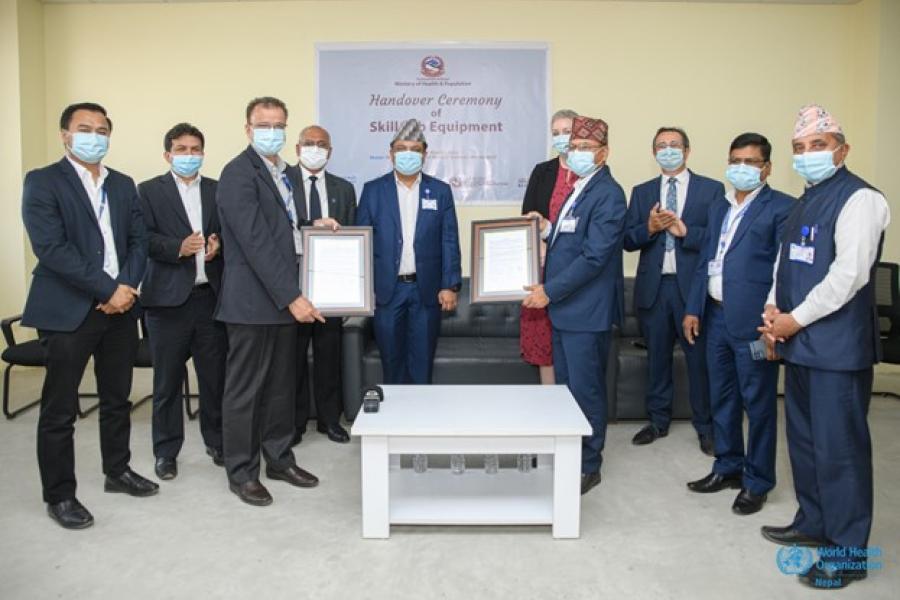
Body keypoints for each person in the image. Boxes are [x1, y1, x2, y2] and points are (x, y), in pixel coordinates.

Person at [759, 105, 889, 590]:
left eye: (819, 145)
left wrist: (794, 320)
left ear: (842, 149)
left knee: (842, 452)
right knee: (807, 445)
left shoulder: (861, 200)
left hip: (836, 350)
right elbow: (784, 265)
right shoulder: (805, 200)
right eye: (800, 148)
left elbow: (849, 276)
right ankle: (814, 522)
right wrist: (773, 312)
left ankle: (850, 553)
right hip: (800, 345)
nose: (808, 155)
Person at [22, 102, 156, 529]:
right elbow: (51, 248)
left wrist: (127, 289)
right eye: (84, 129)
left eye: (101, 130)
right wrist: (106, 289)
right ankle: (60, 495)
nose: (94, 136)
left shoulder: (122, 184)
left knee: (116, 398)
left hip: (121, 307)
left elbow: (139, 242)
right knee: (60, 409)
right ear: (65, 134)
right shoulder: (43, 182)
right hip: (70, 309)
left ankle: (117, 471)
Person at [216, 96, 337, 506]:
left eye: (279, 124)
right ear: (248, 129)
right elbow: (254, 242)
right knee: (245, 391)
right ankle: (242, 472)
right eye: (263, 124)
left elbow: (280, 230)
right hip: (253, 304)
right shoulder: (238, 174)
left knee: (281, 388)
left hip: (281, 302)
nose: (273, 131)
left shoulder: (279, 173)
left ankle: (279, 458)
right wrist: (293, 297)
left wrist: (310, 227)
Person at [682, 133, 794, 516]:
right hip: (715, 317)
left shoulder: (782, 208)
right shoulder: (720, 206)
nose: (741, 168)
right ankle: (727, 466)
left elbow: (786, 270)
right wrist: (693, 308)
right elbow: (706, 260)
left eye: (750, 162)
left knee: (758, 402)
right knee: (722, 397)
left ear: (767, 168)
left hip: (754, 324)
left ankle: (757, 480)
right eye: (735, 160)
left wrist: (775, 318)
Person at [522, 115, 626, 496]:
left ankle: (588, 463)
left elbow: (595, 257)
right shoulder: (581, 188)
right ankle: (570, 452)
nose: (577, 152)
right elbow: (571, 236)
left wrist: (549, 291)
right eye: (574, 146)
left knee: (585, 391)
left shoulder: (609, 193)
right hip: (567, 309)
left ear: (604, 153)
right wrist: (547, 229)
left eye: (585, 148)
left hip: (584, 311)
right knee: (566, 390)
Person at [624, 126, 724, 455]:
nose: (668, 150)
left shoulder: (710, 190)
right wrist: (649, 228)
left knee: (699, 362)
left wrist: (686, 232)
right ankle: (657, 421)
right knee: (657, 360)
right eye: (661, 146)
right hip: (654, 288)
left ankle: (706, 427)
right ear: (654, 154)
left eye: (674, 145)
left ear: (687, 151)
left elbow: (719, 239)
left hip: (692, 290)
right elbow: (627, 240)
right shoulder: (642, 192)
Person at [138, 122, 226, 480]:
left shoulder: (217, 190)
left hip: (210, 300)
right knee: (167, 383)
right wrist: (176, 248)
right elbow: (140, 238)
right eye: (182, 149)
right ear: (167, 154)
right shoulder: (147, 191)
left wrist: (219, 245)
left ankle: (217, 441)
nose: (189, 156)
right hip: (167, 303)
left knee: (214, 380)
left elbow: (229, 231)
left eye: (195, 149)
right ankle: (166, 451)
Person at [356, 118, 462, 384]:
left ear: (425, 154)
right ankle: (395, 419)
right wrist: (362, 287)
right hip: (387, 291)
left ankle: (421, 421)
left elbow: (449, 239)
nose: (408, 154)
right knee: (391, 362)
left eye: (415, 149)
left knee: (422, 361)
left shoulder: (440, 191)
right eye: (402, 148)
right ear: (391, 154)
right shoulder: (372, 191)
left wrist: (450, 285)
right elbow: (362, 242)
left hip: (426, 290)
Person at [289, 125, 356, 445]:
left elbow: (356, 240)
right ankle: (295, 421)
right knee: (293, 357)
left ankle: (330, 420)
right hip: (291, 284)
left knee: (329, 356)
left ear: (329, 151)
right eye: (309, 143)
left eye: (322, 145)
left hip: (332, 287)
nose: (315, 149)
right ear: (297, 148)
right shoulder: (281, 182)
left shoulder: (343, 189)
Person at [519, 109, 578, 385]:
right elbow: (527, 218)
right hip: (543, 271)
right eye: (556, 133)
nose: (561, 137)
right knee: (543, 342)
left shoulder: (590, 175)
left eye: (567, 131)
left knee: (574, 347)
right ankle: (549, 403)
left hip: (577, 274)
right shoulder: (542, 172)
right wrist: (538, 242)